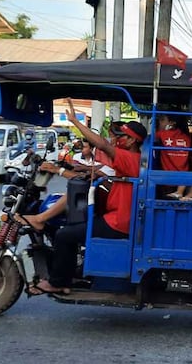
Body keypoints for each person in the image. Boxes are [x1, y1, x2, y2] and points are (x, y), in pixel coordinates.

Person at [17, 99, 146, 295]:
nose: (117, 139)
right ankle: (71, 272)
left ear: (132, 141)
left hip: (118, 222)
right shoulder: (132, 159)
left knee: (64, 235)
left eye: (122, 136)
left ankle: (59, 282)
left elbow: (101, 144)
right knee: (72, 227)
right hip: (116, 216)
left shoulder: (130, 158)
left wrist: (76, 122)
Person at [155, 112, 192, 199]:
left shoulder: (162, 134)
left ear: (172, 123)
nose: (159, 122)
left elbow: (152, 138)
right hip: (183, 181)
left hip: (166, 179)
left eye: (162, 120)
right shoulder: (187, 136)